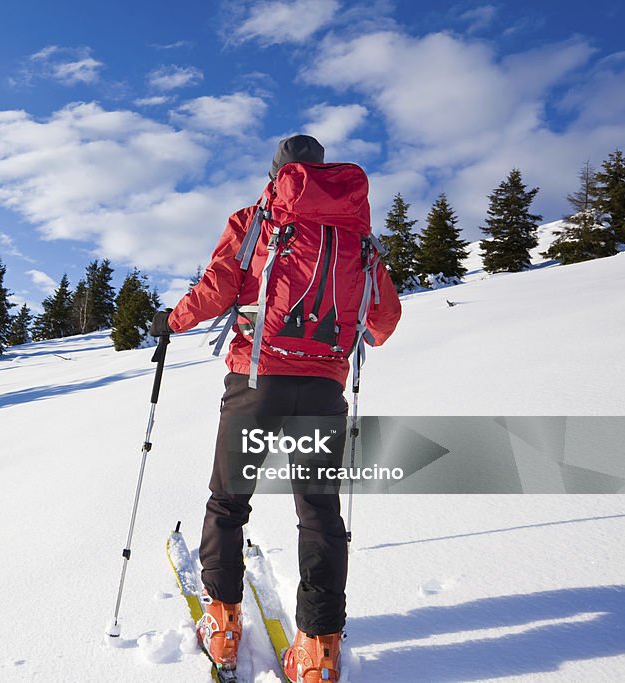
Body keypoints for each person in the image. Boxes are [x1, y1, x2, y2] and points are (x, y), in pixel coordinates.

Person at [149, 134, 402, 682]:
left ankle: (222, 620)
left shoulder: (257, 219)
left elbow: (218, 287)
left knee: (228, 501)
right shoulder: (356, 233)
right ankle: (318, 649)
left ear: (277, 172)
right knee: (318, 514)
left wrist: (171, 321)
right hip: (322, 392)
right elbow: (383, 321)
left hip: (256, 382)